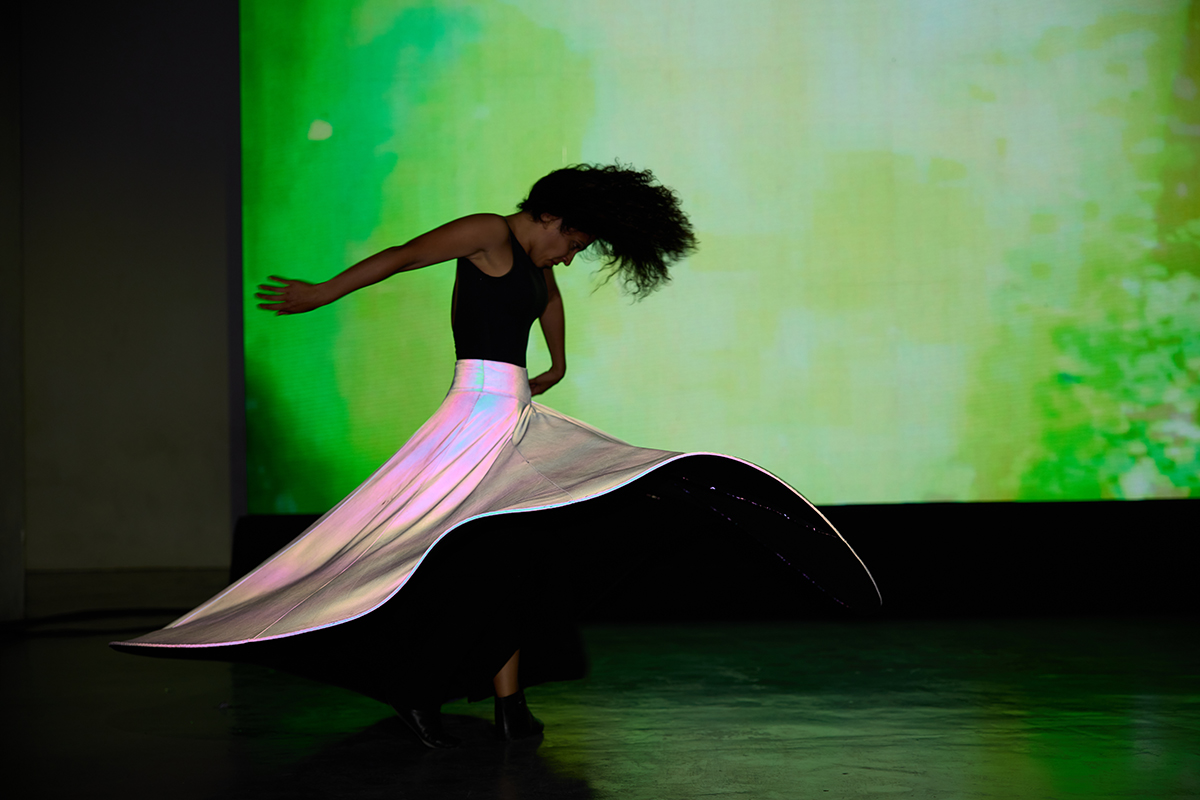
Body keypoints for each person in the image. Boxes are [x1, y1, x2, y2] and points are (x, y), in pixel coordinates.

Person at [114, 164, 879, 749]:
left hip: (513, 416)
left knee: (516, 557)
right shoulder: (487, 232)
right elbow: (402, 256)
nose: (571, 259)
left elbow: (549, 300)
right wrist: (323, 292)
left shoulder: (539, 264)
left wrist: (557, 361)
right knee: (430, 553)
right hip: (475, 418)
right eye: (573, 242)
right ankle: (421, 683)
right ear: (551, 217)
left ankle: (509, 701)